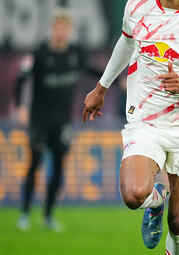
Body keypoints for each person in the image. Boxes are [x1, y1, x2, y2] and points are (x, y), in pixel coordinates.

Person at [82, 0, 179, 254]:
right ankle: (156, 200)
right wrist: (101, 87)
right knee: (133, 195)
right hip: (146, 120)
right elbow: (126, 42)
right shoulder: (137, 5)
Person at [14, 9, 101, 231]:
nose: (61, 32)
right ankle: (24, 213)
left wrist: (116, 80)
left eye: (64, 28)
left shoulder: (75, 53)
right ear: (53, 29)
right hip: (39, 119)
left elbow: (94, 71)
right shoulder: (40, 53)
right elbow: (20, 81)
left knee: (59, 167)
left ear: (69, 30)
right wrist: (20, 107)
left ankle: (48, 215)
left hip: (62, 121)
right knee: (35, 163)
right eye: (57, 27)